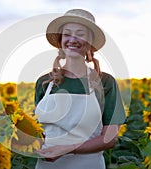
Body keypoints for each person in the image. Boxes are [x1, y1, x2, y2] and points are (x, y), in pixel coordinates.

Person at [34, 9, 126, 169]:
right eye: (67, 34)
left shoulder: (105, 83)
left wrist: (68, 149)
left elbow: (109, 139)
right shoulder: (44, 83)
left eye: (80, 34)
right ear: (61, 40)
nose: (72, 39)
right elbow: (39, 132)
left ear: (90, 42)